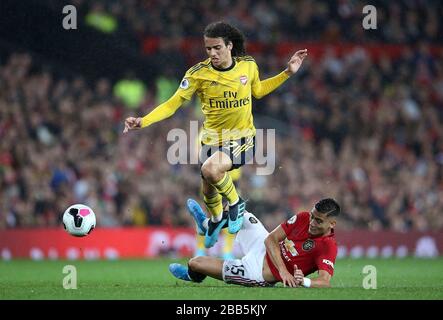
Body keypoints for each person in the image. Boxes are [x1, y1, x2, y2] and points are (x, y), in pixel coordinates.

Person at [123, 21, 308, 248]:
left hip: (242, 139)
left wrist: (287, 73)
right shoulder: (198, 74)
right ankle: (215, 220)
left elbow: (258, 91)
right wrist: (143, 121)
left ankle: (236, 203)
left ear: (229, 46)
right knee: (208, 190)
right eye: (208, 49)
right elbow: (172, 104)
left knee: (210, 169)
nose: (212, 53)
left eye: (217, 47)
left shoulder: (247, 66)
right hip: (210, 142)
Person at [170, 198, 340, 288]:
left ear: (331, 224)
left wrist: (304, 282)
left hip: (256, 272)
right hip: (261, 247)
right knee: (241, 213)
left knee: (195, 263)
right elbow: (270, 239)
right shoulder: (303, 217)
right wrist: (284, 271)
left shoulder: (328, 246)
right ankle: (206, 225)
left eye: (318, 221)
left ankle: (192, 276)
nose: (311, 223)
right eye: (312, 216)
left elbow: (325, 281)